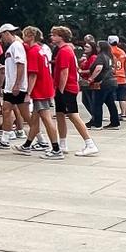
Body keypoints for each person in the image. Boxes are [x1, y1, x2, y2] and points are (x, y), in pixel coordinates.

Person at [50, 26, 95, 155]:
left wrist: (61, 90)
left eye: (54, 35)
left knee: (73, 115)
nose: (52, 37)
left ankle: (89, 143)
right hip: (64, 87)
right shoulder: (64, 50)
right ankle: (62, 144)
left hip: (66, 88)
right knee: (60, 115)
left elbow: (64, 72)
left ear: (61, 37)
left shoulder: (64, 51)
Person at [16, 26, 61, 157]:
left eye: (25, 35)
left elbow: (33, 75)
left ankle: (56, 148)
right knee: (35, 119)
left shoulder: (33, 52)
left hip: (40, 90)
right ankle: (27, 145)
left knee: (46, 119)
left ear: (30, 36)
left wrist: (28, 93)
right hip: (46, 87)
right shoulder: (40, 50)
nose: (23, 38)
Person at [0, 24, 28, 147]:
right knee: (6, 110)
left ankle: (41, 139)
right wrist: (3, 67)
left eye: (2, 36)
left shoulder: (16, 46)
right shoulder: (13, 47)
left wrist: (17, 84)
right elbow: (14, 64)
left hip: (16, 86)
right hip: (11, 86)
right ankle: (5, 138)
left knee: (25, 115)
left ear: (7, 33)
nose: (2, 39)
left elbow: (20, 64)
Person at [107, 36, 126, 118]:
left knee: (112, 98)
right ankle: (123, 114)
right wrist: (124, 73)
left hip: (113, 77)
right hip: (122, 77)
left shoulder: (109, 51)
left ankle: (114, 114)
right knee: (122, 97)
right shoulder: (122, 52)